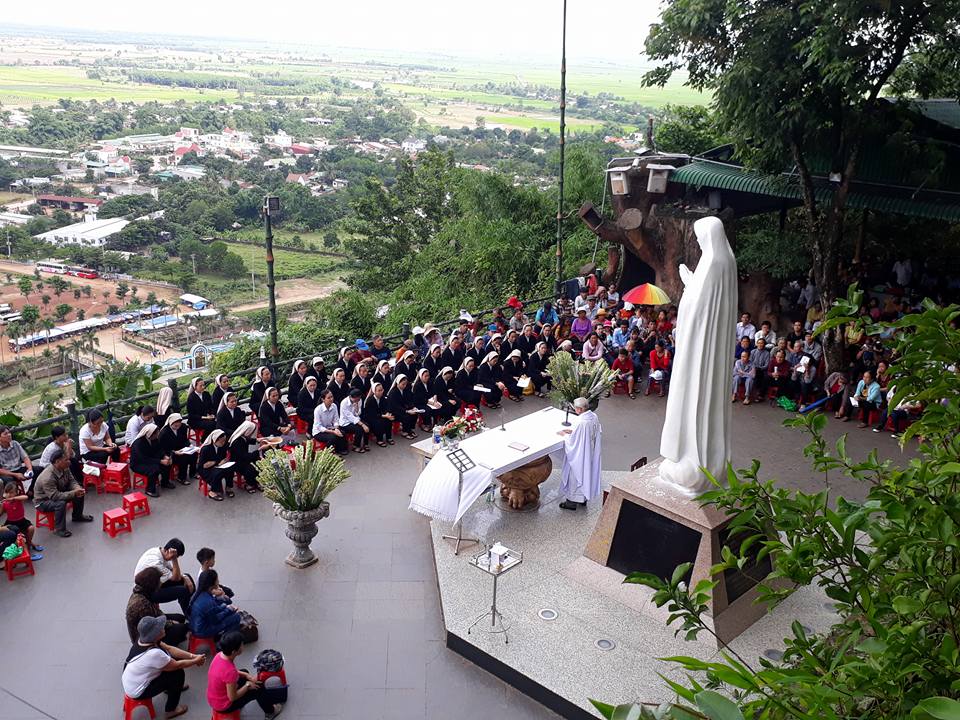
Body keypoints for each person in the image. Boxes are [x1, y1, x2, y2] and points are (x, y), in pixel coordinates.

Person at [658, 216, 738, 496]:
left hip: (699, 353)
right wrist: (692, 281)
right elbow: (710, 303)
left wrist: (688, 285)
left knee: (694, 401)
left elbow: (696, 307)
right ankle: (713, 463)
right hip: (713, 350)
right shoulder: (726, 263)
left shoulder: (713, 264)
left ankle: (694, 462)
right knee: (710, 402)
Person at [121, 615, 204, 720]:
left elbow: (169, 649)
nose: (163, 627)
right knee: (177, 674)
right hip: (138, 691)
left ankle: (169, 689)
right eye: (159, 627)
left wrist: (193, 656)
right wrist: (195, 661)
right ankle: (171, 710)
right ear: (155, 634)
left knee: (172, 666)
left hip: (131, 681)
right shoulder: (154, 654)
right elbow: (177, 665)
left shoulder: (144, 640)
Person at [207, 630, 284, 720]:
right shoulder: (229, 671)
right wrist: (247, 685)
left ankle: (247, 687)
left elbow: (231, 673)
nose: (243, 646)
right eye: (241, 645)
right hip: (224, 705)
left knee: (244, 672)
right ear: (234, 651)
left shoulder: (220, 655)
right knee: (258, 687)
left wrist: (247, 676)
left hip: (214, 698)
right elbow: (232, 697)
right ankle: (271, 712)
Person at [32, 449, 91, 538]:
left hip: (59, 490)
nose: (69, 461)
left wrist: (77, 489)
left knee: (80, 491)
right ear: (57, 462)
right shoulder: (48, 477)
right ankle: (59, 529)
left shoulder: (65, 467)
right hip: (43, 501)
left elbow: (72, 481)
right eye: (66, 460)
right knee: (60, 503)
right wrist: (74, 493)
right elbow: (55, 496)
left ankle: (77, 516)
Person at [126, 567, 188, 647]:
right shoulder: (141, 604)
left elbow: (156, 614)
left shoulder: (141, 592)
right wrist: (171, 623)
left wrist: (170, 621)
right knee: (182, 628)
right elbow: (153, 623)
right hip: (145, 638)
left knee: (180, 618)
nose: (160, 583)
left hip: (151, 621)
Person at [559, 397, 602, 510]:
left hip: (580, 454)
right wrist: (572, 432)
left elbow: (574, 441)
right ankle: (583, 499)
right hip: (590, 451)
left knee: (575, 475)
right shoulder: (593, 416)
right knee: (586, 474)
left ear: (579, 409)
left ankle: (571, 502)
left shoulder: (581, 422)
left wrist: (565, 435)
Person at [134, 539, 194, 615]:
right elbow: (176, 578)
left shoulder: (158, 551)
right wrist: (174, 559)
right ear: (169, 552)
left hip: (155, 583)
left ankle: (193, 606)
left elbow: (172, 570)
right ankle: (190, 615)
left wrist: (186, 577)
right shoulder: (156, 563)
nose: (177, 558)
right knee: (183, 591)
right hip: (147, 593)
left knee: (187, 577)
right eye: (177, 556)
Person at [189, 569, 242, 640]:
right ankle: (226, 642)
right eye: (217, 580)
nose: (218, 581)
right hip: (202, 632)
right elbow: (215, 620)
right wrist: (228, 610)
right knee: (236, 617)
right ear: (212, 584)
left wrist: (224, 606)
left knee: (230, 611)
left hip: (197, 626)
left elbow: (214, 608)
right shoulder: (208, 601)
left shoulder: (200, 594)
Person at [131, 423, 173, 498]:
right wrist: (160, 461)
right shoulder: (138, 443)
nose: (157, 436)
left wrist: (164, 456)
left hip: (151, 459)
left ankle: (165, 482)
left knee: (167, 463)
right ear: (150, 434)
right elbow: (143, 459)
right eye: (156, 434)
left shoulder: (154, 439)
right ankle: (149, 490)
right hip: (138, 464)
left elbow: (159, 449)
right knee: (154, 469)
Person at [2, 482, 42, 557]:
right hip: (11, 522)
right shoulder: (5, 503)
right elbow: (1, 512)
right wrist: (1, 505)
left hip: (21, 520)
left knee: (31, 528)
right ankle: (25, 551)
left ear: (16, 492)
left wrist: (13, 498)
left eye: (11, 493)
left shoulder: (18, 500)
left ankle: (29, 543)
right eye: (6, 492)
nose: (9, 495)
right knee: (19, 538)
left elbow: (26, 497)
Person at [228, 422, 266, 492]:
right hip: (237, 462)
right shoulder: (237, 442)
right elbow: (245, 457)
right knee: (251, 468)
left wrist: (259, 440)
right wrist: (259, 450)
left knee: (260, 462)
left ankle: (256, 482)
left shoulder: (241, 438)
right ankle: (250, 483)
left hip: (243, 459)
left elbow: (249, 440)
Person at [158, 413, 195, 486]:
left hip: (180, 449)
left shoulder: (183, 427)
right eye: (175, 426)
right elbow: (162, 448)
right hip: (169, 452)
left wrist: (190, 445)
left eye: (179, 425)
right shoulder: (164, 433)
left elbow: (184, 440)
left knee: (194, 454)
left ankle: (193, 473)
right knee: (183, 458)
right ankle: (181, 477)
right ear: (171, 423)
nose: (177, 427)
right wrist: (174, 452)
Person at [198, 430, 233, 501]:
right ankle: (212, 491)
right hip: (205, 469)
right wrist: (217, 463)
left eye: (224, 441)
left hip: (218, 465)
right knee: (218, 472)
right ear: (214, 440)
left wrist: (224, 461)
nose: (223, 443)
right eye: (221, 441)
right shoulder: (206, 449)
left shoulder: (223, 447)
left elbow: (223, 457)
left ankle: (228, 487)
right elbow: (204, 465)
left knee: (230, 469)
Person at [312, 390, 348, 455]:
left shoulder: (334, 406)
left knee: (342, 433)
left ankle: (339, 450)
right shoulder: (318, 410)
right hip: (319, 432)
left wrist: (336, 428)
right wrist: (333, 431)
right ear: (323, 399)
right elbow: (319, 426)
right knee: (333, 437)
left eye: (332, 397)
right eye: (328, 398)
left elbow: (336, 420)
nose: (331, 399)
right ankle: (328, 453)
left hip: (330, 428)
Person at [362, 382, 395, 447]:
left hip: (381, 415)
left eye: (382, 390)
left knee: (389, 420)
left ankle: (388, 437)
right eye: (379, 391)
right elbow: (371, 413)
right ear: (374, 391)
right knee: (378, 423)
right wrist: (384, 416)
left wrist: (388, 413)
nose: (381, 392)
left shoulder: (383, 398)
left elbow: (386, 408)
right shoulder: (370, 400)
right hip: (371, 417)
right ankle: (379, 439)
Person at [387, 376, 418, 440]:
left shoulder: (406, 390)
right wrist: (406, 411)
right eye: (403, 384)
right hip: (394, 411)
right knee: (406, 416)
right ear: (398, 383)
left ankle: (409, 429)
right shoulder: (393, 392)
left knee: (415, 413)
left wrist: (413, 407)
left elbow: (409, 400)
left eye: (405, 384)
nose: (404, 386)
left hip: (403, 408)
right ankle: (405, 431)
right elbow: (395, 406)